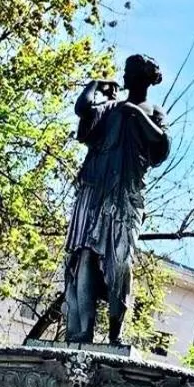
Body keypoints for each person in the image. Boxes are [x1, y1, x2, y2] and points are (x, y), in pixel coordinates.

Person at [63, 54, 170, 345]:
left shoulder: (152, 111)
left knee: (120, 262)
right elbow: (83, 109)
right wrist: (95, 84)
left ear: (139, 78)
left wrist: (135, 113)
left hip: (125, 197)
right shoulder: (110, 108)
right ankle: (80, 334)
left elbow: (161, 145)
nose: (122, 78)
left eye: (127, 73)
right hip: (94, 192)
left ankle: (115, 332)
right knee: (85, 257)